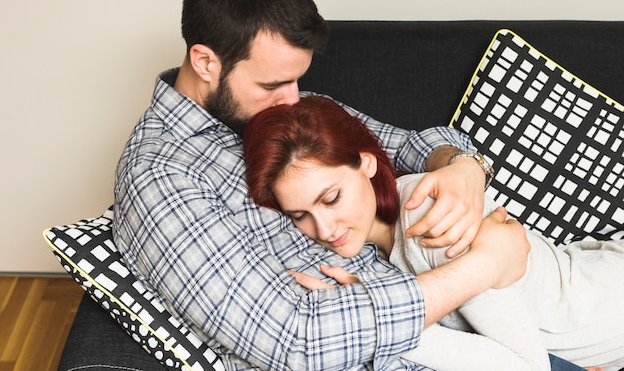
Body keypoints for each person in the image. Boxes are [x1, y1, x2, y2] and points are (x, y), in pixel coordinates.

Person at [112, 0, 532, 370]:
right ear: (206, 62)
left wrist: (463, 167)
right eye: (273, 84)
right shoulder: (161, 175)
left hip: (491, 335)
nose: (294, 98)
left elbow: (408, 146)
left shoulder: (288, 114)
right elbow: (295, 339)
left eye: (298, 79)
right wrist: (485, 267)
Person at [243, 95, 624, 371]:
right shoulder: (388, 246)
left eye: (331, 197)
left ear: (367, 164)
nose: (322, 229)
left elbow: (528, 368)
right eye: (299, 215)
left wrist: (384, 322)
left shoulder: (429, 216)